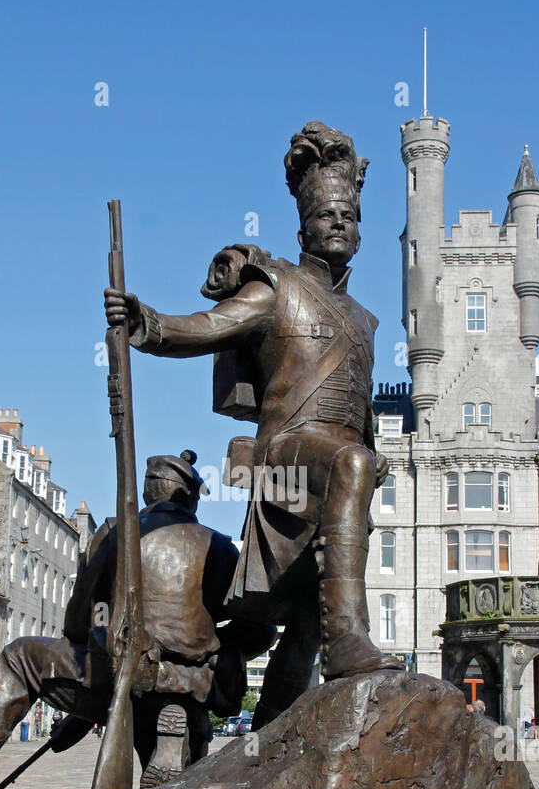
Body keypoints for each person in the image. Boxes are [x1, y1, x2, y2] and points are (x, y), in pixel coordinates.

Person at [104, 122, 402, 728]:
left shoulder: (366, 321)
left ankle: (270, 732)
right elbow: (207, 328)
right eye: (327, 217)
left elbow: (360, 412)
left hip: (340, 468)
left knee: (307, 616)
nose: (340, 224)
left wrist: (373, 456)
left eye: (350, 216)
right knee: (351, 464)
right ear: (303, 229)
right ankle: (352, 637)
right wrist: (148, 323)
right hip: (282, 459)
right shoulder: (278, 288)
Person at [0, 450, 275, 789]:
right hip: (193, 683)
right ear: (192, 498)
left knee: (19, 656)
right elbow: (261, 631)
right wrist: (207, 648)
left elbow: (80, 621)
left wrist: (86, 693)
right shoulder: (222, 548)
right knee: (166, 778)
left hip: (117, 674)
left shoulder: (115, 532)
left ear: (149, 491)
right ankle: (172, 731)